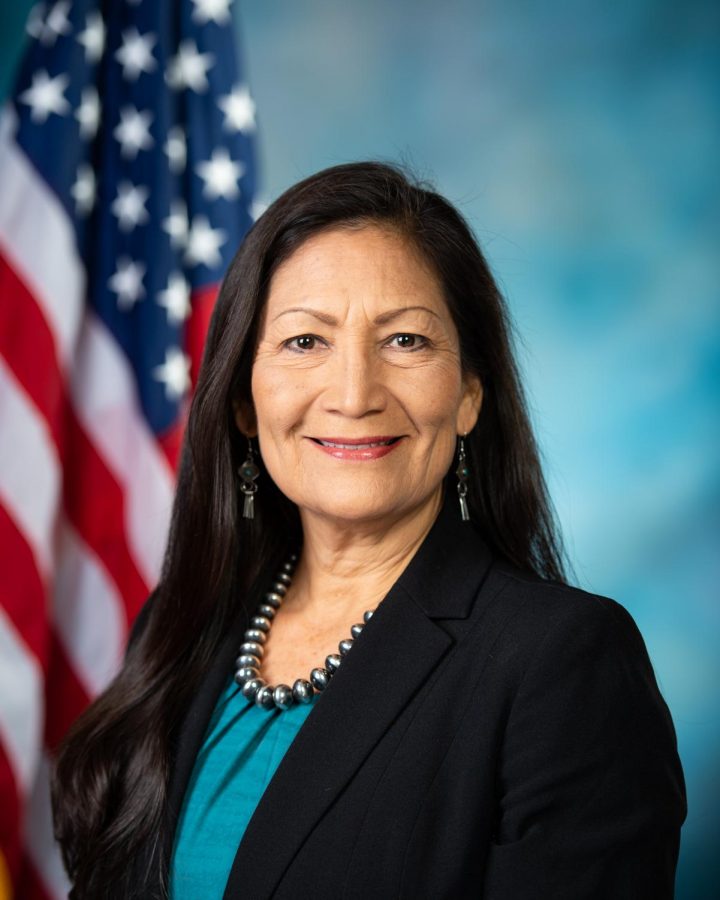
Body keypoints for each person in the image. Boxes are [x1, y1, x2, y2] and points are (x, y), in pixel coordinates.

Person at [52, 161, 686, 899]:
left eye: (406, 341)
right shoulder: (181, 624)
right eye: (304, 342)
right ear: (243, 403)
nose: (354, 394)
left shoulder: (560, 663)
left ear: (470, 394)